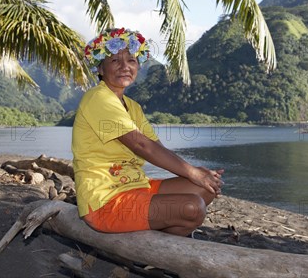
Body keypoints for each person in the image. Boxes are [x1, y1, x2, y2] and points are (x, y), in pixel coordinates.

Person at [72, 27, 224, 237]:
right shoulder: (99, 98)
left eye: (131, 60)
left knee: (205, 188)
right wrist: (192, 172)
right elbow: (140, 145)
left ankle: (158, 252)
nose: (125, 66)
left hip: (136, 186)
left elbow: (155, 146)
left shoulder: (131, 106)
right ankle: (161, 253)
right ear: (100, 69)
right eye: (115, 60)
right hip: (104, 200)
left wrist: (196, 172)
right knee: (193, 207)